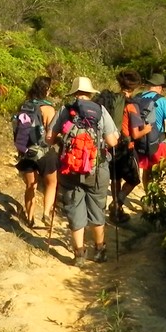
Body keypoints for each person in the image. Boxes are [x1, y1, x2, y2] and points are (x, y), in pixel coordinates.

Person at [50, 76, 119, 266]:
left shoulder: (65, 110)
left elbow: (49, 137)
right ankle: (100, 250)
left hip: (70, 169)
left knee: (74, 210)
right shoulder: (100, 110)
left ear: (74, 93)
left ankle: (79, 254)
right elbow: (113, 142)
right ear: (90, 93)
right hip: (97, 170)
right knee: (97, 209)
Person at [12, 75, 59, 229]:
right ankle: (46, 213)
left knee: (30, 185)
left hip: (26, 152)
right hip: (44, 152)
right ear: (46, 90)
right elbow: (51, 134)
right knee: (51, 183)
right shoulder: (48, 108)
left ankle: (30, 218)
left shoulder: (24, 105)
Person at [110, 70, 151, 222]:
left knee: (116, 179)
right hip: (126, 148)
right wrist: (146, 129)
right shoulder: (131, 106)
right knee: (134, 180)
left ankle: (117, 210)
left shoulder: (112, 100)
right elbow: (135, 134)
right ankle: (117, 204)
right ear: (133, 87)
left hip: (111, 145)